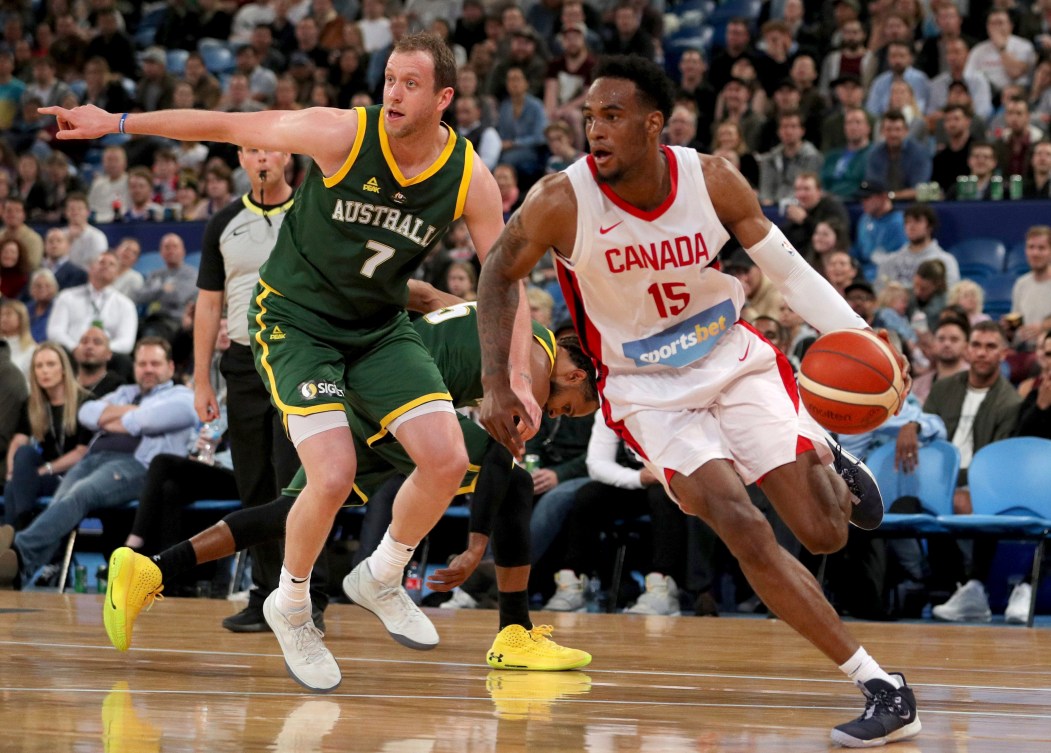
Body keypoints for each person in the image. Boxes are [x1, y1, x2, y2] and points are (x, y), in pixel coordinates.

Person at [42, 32, 532, 694]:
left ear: (444, 97)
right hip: (295, 322)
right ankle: (291, 604)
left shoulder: (467, 175)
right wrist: (116, 122)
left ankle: (382, 573)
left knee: (446, 457)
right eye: (388, 78)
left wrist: (516, 379)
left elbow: (502, 280)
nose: (392, 92)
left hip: (377, 327)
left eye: (410, 84)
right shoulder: (340, 135)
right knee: (331, 474)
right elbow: (223, 122)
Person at [476, 55, 921, 748]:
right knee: (738, 522)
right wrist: (498, 384)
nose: (594, 129)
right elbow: (498, 273)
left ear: (655, 124)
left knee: (823, 533)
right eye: (589, 116)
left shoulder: (709, 179)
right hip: (643, 389)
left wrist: (859, 336)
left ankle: (827, 451)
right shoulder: (561, 199)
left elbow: (788, 271)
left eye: (612, 116)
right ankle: (880, 684)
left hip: (730, 357)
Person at [101, 297, 598, 673]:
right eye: (571, 405)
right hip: (398, 397)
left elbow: (421, 294)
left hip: (368, 392)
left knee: (292, 510)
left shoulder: (498, 309)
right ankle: (512, 631)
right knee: (512, 474)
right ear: (573, 371)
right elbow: (495, 463)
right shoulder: (533, 368)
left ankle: (149, 569)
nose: (558, 414)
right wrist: (476, 546)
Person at [193, 144, 319, 635]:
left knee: (300, 484)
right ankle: (265, 595)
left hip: (301, 356)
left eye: (270, 148)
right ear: (241, 160)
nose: (261, 157)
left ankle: (309, 596)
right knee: (254, 483)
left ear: (288, 155)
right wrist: (202, 376)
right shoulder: (222, 222)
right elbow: (208, 305)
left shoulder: (314, 210)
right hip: (243, 364)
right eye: (251, 149)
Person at [0, 337, 196, 590]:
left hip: (137, 466)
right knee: (61, 501)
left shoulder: (182, 396)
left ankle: (18, 547)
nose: (148, 369)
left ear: (170, 367)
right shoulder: (126, 392)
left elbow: (146, 422)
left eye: (155, 364)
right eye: (142, 363)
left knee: (80, 495)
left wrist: (113, 416)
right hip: (92, 459)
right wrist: (128, 414)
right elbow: (87, 413)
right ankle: (17, 572)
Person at [921, 321, 1024, 623]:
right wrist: (912, 427)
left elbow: (994, 462)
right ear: (968, 350)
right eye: (977, 345)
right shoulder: (942, 389)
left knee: (966, 503)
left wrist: (960, 486)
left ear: (1003, 354)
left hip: (980, 482)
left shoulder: (1010, 402)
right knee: (915, 503)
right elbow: (928, 437)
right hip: (937, 478)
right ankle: (950, 588)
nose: (981, 353)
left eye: (990, 347)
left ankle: (968, 588)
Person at [3, 343, 91, 530]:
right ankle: (19, 537)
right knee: (23, 455)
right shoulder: (33, 404)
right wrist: (12, 470)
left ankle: (15, 537)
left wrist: (46, 469)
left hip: (74, 476)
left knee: (15, 488)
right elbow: (19, 440)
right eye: (39, 366)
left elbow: (82, 452)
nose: (44, 371)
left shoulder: (86, 402)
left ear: (64, 369)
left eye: (51, 364)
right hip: (42, 476)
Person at [47, 251, 138, 355]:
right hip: (71, 353)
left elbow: (126, 342)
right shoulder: (67, 297)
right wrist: (75, 348)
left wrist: (101, 350)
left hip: (108, 358)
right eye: (101, 262)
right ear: (90, 268)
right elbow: (55, 331)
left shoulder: (126, 305)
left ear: (117, 274)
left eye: (111, 264)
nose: (106, 266)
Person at [1011, 225, 1051, 350]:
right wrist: (1010, 329)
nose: (1035, 253)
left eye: (1041, 248)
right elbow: (1016, 323)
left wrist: (1044, 328)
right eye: (1031, 247)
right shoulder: (1021, 284)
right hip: (1024, 350)